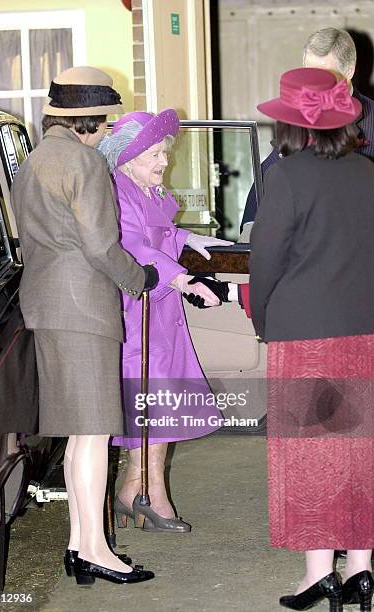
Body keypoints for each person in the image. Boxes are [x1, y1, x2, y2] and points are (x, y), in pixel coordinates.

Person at [11, 66, 158, 585]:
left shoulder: (32, 161)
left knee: (80, 437)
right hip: (84, 311)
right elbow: (101, 247)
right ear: (90, 122)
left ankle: (81, 544)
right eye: (106, 123)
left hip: (46, 305)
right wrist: (140, 277)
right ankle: (94, 550)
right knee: (94, 433)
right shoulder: (84, 163)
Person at [250, 66, 374, 611]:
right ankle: (362, 571)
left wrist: (263, 320)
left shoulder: (286, 176)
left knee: (312, 456)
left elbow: (266, 262)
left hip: (304, 337)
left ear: (291, 127)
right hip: (366, 332)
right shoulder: (369, 174)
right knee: (360, 453)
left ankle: (319, 576)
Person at [98, 110, 236, 531]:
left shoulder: (147, 191)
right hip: (138, 309)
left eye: (164, 153)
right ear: (127, 159)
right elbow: (135, 245)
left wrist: (189, 238)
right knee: (152, 403)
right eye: (154, 154)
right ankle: (150, 496)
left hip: (158, 311)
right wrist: (183, 278)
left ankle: (131, 493)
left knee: (159, 402)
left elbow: (161, 233)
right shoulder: (118, 192)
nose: (163, 162)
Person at [241, 27, 374, 233]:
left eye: (324, 75)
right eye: (308, 73)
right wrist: (250, 227)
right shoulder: (295, 115)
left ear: (349, 71)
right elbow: (270, 171)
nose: (313, 83)